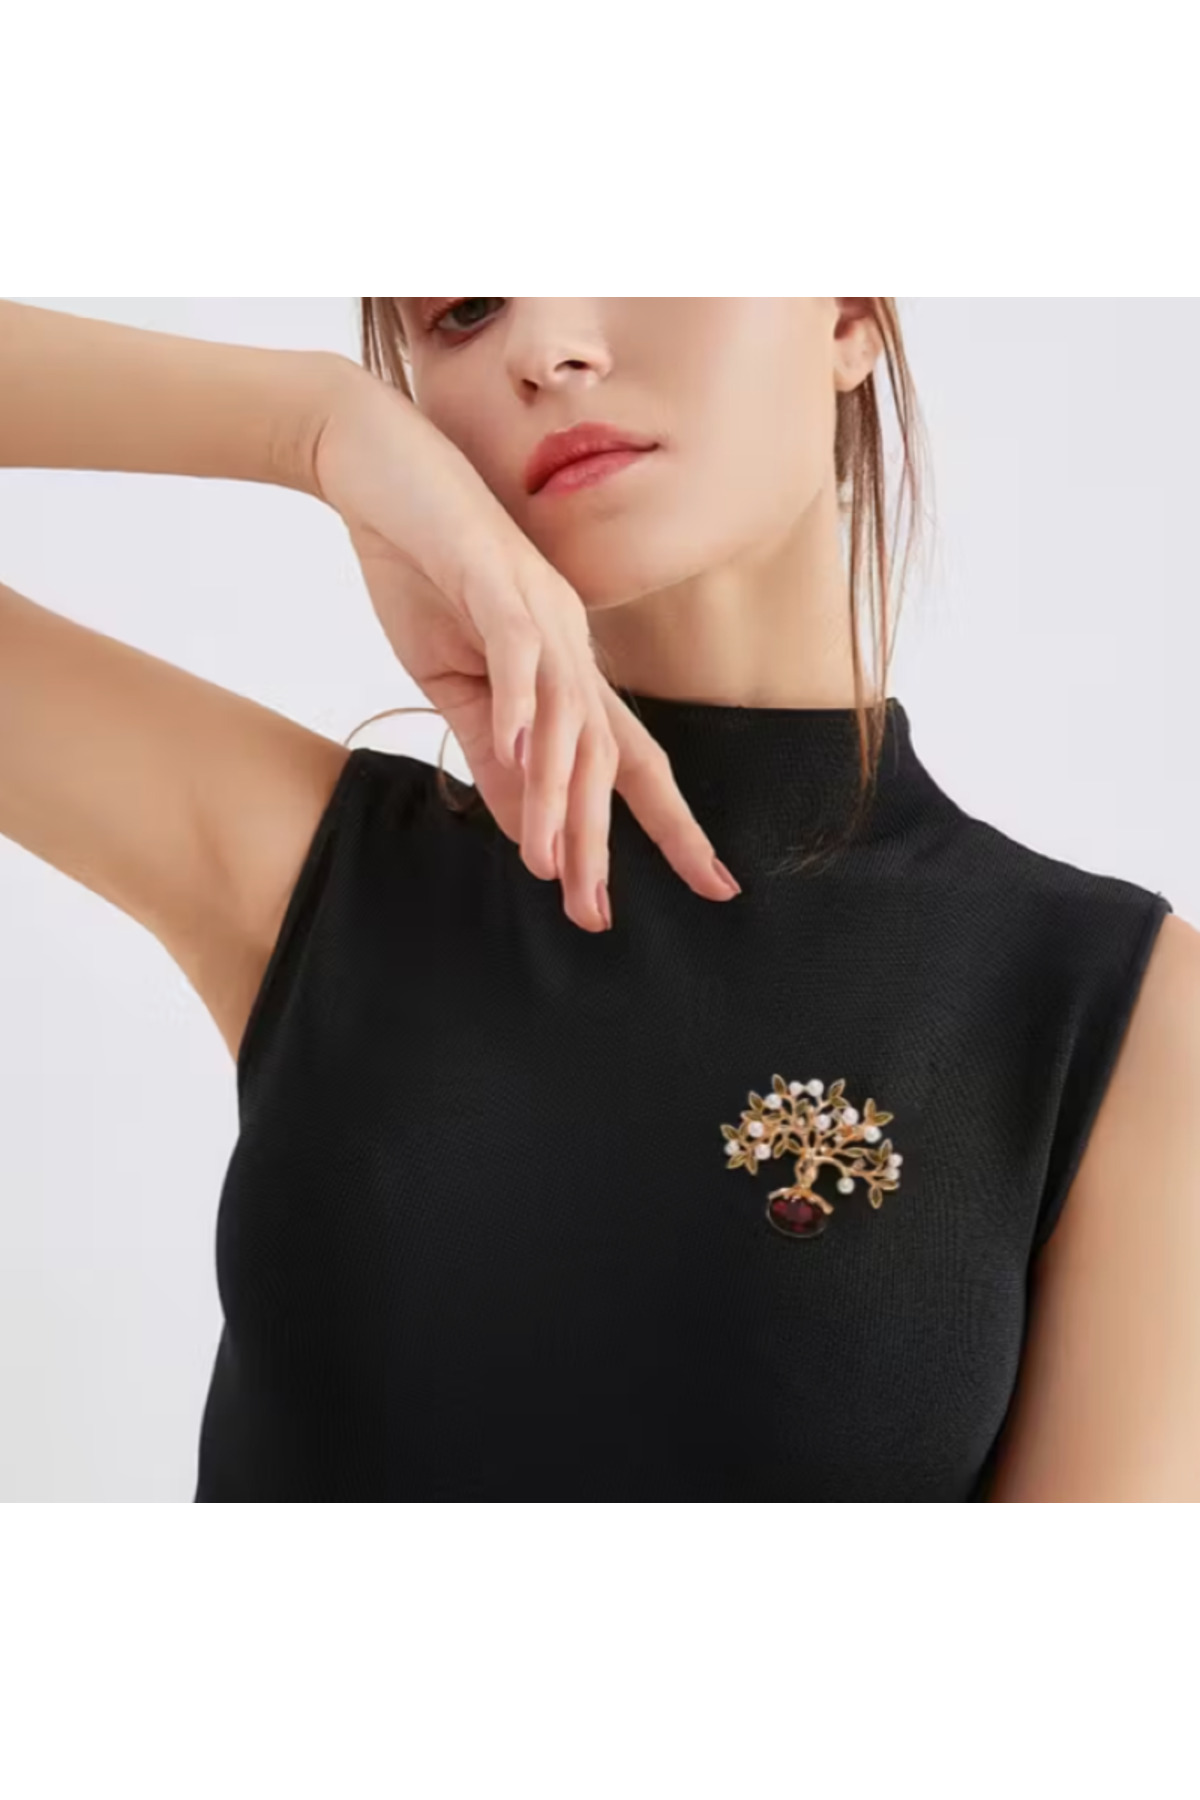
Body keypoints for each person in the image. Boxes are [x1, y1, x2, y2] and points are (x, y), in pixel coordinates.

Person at [1, 297, 1194, 1503]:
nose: (543, 348)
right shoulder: (317, 878)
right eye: (463, 310)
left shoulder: (1119, 1019)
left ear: (846, 311)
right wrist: (314, 427)